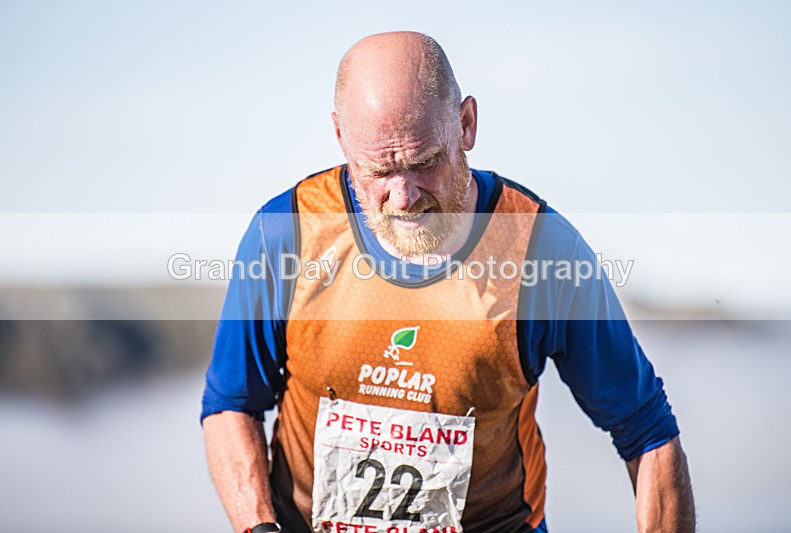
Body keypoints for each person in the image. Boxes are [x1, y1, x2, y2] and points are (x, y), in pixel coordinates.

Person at [201, 31, 695, 533]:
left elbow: (646, 432)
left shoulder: (542, 252)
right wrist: (259, 527)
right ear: (340, 137)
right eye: (377, 171)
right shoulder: (287, 233)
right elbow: (231, 405)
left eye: (424, 163)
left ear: (466, 124)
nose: (404, 197)